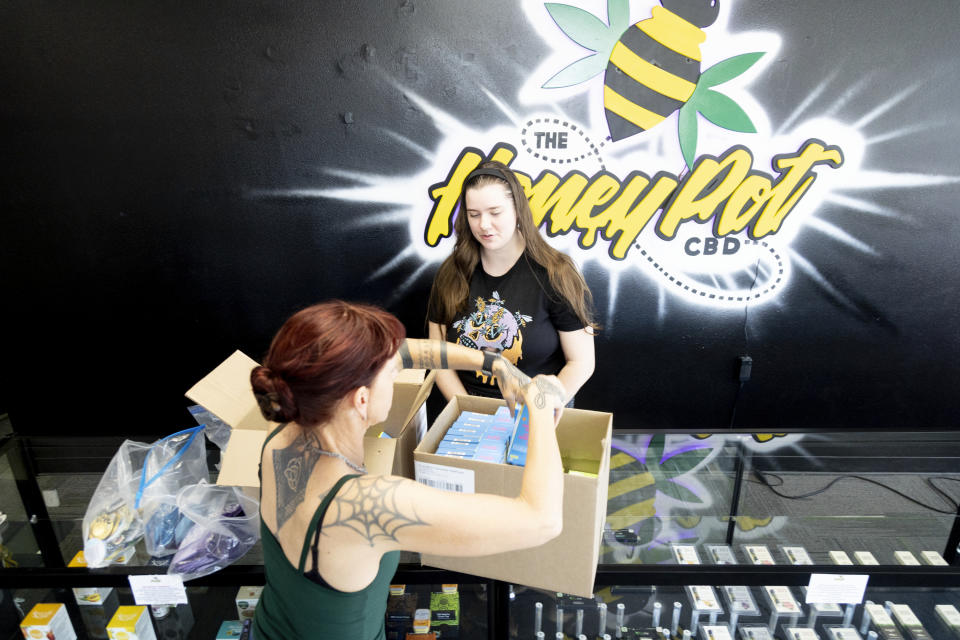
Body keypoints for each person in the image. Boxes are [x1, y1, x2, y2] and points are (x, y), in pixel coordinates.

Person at [250, 300, 567, 640]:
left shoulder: (282, 430)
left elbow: (403, 352)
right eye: (392, 373)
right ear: (361, 399)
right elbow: (542, 520)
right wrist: (541, 404)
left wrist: (494, 363)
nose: (399, 369)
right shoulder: (368, 504)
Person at [427, 160, 596, 408]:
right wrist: (468, 409)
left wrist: (545, 403)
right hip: (467, 409)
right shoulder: (452, 273)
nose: (484, 224)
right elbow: (436, 356)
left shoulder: (556, 273)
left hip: (536, 412)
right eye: (474, 215)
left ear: (518, 210)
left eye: (495, 213)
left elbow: (581, 363)